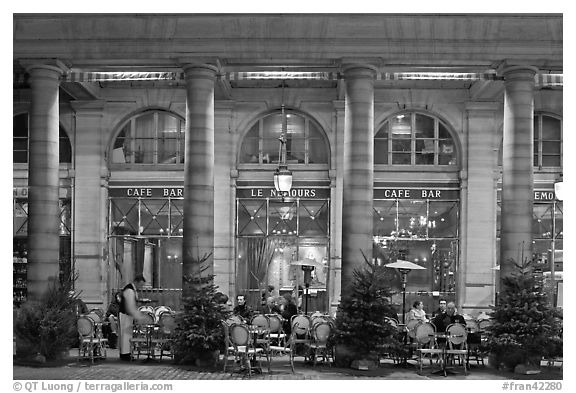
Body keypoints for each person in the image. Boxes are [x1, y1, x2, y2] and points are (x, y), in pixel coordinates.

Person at [118, 275, 148, 361]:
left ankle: (126, 353)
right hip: (125, 315)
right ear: (136, 282)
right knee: (125, 335)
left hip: (128, 315)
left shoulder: (132, 290)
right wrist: (139, 317)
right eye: (141, 285)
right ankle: (125, 354)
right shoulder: (129, 290)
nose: (141, 287)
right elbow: (130, 306)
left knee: (127, 335)